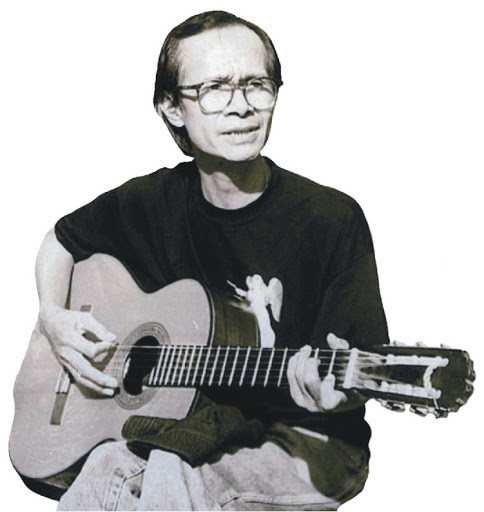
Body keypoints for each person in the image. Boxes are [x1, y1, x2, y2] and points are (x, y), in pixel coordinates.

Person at [34, 10, 389, 511]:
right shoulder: (154, 201)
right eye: (215, 89)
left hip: (308, 440)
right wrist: (53, 317)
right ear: (172, 107)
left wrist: (337, 392)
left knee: (171, 470)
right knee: (106, 467)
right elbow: (59, 242)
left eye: (256, 85)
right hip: (196, 428)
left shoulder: (330, 218)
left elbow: (360, 363)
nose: (241, 106)